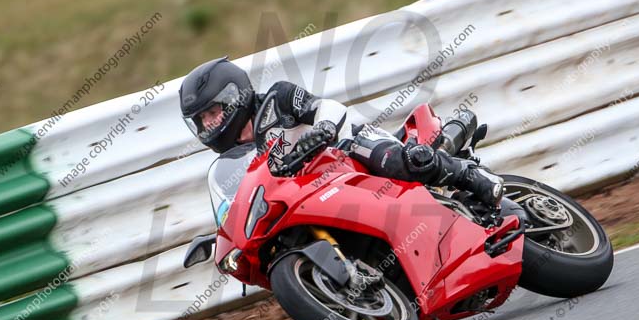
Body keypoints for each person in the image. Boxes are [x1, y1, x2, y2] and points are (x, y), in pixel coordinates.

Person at [179, 57, 503, 210]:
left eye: (213, 112)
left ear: (234, 96)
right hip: (313, 192)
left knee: (400, 162)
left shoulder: (278, 98)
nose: (209, 123)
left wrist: (323, 130)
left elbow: (327, 108)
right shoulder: (235, 160)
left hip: (347, 149)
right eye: (202, 119)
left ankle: (472, 176)